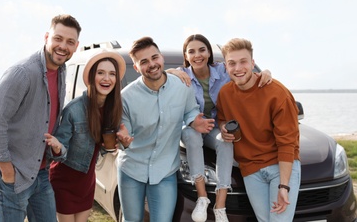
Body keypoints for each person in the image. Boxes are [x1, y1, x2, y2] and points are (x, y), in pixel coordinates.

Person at [0, 14, 81, 221]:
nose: (63, 46)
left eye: (70, 42)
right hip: (12, 173)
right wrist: (7, 171)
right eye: (58, 38)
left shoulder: (61, 71)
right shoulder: (23, 73)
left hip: (40, 171)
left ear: (76, 46)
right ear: (46, 37)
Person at [167, 34, 272, 222]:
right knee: (191, 137)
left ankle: (220, 204)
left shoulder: (223, 71)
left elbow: (243, 71)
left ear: (209, 52)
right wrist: (173, 72)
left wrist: (264, 72)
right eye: (191, 51)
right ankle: (202, 197)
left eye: (202, 50)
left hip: (215, 126)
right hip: (191, 127)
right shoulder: (182, 76)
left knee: (225, 140)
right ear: (186, 55)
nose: (197, 55)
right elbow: (158, 77)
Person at [116, 36, 215, 222]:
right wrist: (123, 140)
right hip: (132, 169)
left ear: (161, 57)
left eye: (155, 58)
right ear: (136, 67)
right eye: (144, 62)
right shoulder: (126, 97)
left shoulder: (182, 86)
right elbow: (124, 132)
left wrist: (194, 121)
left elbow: (190, 111)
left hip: (165, 170)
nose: (152, 64)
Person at [216, 38, 301, 221]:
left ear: (253, 63)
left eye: (243, 62)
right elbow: (222, 118)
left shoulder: (277, 93)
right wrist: (223, 128)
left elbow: (287, 143)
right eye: (232, 63)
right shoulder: (225, 94)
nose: (238, 68)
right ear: (225, 66)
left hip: (280, 166)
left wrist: (284, 186)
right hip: (251, 169)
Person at [48, 49, 127, 222]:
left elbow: (103, 149)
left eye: (112, 74)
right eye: (101, 73)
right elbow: (60, 151)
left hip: (87, 182)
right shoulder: (74, 109)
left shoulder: (112, 109)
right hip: (64, 181)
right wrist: (57, 146)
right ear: (92, 77)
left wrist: (118, 144)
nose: (107, 78)